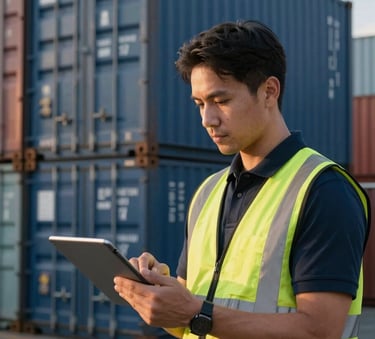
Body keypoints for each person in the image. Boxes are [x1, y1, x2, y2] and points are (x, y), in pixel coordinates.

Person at [114, 20, 370, 339]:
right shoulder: (208, 192)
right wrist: (158, 294)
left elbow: (319, 331)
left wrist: (194, 311)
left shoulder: (324, 190)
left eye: (221, 101)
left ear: (269, 91)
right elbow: (188, 323)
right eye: (199, 104)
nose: (208, 119)